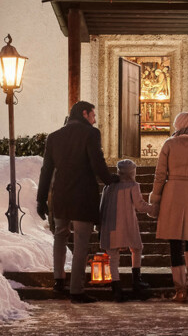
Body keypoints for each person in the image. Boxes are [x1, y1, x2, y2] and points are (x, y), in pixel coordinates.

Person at [36, 101, 118, 304]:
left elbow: (46, 170)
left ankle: (58, 280)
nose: (95, 119)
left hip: (61, 196)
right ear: (84, 113)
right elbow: (96, 161)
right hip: (83, 196)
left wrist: (41, 198)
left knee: (60, 237)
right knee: (81, 242)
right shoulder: (90, 133)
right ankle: (76, 290)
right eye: (93, 114)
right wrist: (111, 179)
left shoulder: (54, 137)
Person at [149, 111, 188, 302]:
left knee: (175, 240)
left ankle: (180, 289)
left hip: (173, 191)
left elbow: (160, 174)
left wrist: (156, 196)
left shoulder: (170, 144)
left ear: (179, 124)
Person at [99, 159, 158, 302]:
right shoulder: (133, 185)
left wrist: (99, 224)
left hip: (109, 224)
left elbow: (102, 205)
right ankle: (136, 280)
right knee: (136, 248)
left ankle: (116, 288)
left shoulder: (109, 186)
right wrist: (154, 209)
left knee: (113, 257)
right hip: (127, 224)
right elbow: (140, 205)